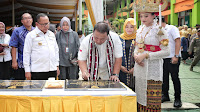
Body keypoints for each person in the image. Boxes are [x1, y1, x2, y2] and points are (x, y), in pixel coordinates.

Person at [133, 0, 170, 111]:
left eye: (146, 16)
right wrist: (136, 55)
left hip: (153, 69)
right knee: (140, 99)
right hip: (140, 67)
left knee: (151, 101)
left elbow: (167, 52)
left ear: (154, 15)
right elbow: (137, 46)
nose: (143, 18)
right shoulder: (140, 29)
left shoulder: (159, 30)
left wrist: (146, 55)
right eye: (141, 16)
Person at [23, 13, 59, 80]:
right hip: (38, 70)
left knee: (52, 89)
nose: (46, 26)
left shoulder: (51, 34)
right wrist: (27, 70)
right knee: (38, 89)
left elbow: (56, 50)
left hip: (52, 69)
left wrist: (57, 65)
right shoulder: (31, 35)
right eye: (43, 24)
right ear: (37, 24)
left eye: (47, 23)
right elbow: (26, 53)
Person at [159, 18, 182, 107]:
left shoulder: (172, 28)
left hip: (172, 57)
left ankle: (177, 98)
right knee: (164, 78)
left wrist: (176, 55)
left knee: (175, 78)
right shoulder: (159, 31)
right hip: (163, 58)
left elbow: (177, 41)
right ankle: (165, 95)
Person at [9, 13, 34, 80]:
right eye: (25, 18)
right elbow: (13, 47)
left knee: (35, 84)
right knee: (21, 83)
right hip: (21, 61)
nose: (28, 20)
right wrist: (14, 61)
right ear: (22, 21)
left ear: (32, 20)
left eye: (29, 18)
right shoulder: (17, 31)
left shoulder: (36, 31)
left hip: (34, 62)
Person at [119, 18, 136, 90]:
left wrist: (135, 68)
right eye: (127, 27)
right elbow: (115, 53)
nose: (129, 29)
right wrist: (120, 66)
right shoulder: (119, 38)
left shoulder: (139, 38)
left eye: (132, 27)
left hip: (135, 70)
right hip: (122, 69)